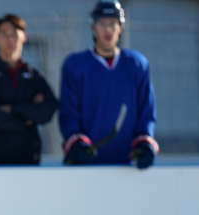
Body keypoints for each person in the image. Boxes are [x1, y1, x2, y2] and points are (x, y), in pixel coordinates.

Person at [59, 1, 158, 169]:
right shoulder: (75, 65)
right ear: (93, 27)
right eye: (102, 23)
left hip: (127, 168)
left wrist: (145, 142)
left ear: (121, 27)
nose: (108, 29)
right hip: (85, 166)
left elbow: (146, 111)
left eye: (113, 23)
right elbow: (68, 112)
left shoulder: (137, 64)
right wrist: (75, 142)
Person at [0, 14, 58, 165]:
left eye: (14, 34)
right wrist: (27, 119)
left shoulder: (34, 76)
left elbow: (48, 111)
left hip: (28, 158)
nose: (10, 39)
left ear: (24, 37)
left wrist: (13, 107)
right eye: (4, 34)